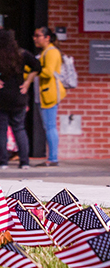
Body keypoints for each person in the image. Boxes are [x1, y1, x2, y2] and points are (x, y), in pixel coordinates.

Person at [0, 30, 39, 169]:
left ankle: (3, 162)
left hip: (2, 96)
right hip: (18, 96)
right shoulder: (22, 54)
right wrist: (28, 82)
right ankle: (24, 162)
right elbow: (37, 66)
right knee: (19, 129)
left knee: (1, 130)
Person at [33, 26, 64, 167]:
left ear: (47, 38)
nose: (35, 38)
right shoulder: (45, 52)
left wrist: (34, 68)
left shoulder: (51, 52)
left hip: (49, 94)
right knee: (48, 126)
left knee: (50, 126)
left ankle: (53, 158)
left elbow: (48, 73)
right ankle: (51, 157)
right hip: (43, 94)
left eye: (38, 35)